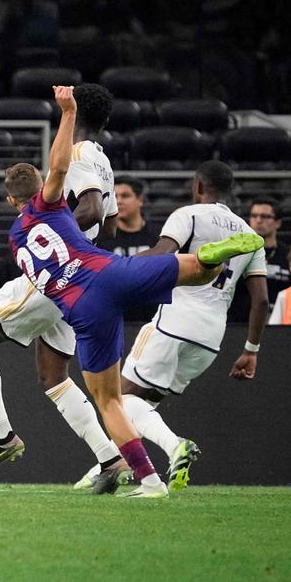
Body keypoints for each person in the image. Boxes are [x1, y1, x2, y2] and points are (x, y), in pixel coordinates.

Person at [5, 86, 263, 498]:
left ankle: (150, 481)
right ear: (41, 191)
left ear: (10, 201)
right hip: (106, 271)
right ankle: (211, 258)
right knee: (191, 270)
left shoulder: (18, 237)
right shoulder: (56, 199)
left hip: (81, 307)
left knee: (110, 402)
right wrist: (66, 114)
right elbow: (64, 177)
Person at [0, 83, 125, 488]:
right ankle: (110, 459)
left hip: (56, 274)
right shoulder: (103, 161)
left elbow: (92, 208)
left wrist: (52, 236)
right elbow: (112, 225)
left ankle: (1, 436)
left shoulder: (80, 154)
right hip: (79, 282)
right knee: (54, 377)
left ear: (73, 111)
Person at [119, 161, 269, 491]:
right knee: (145, 405)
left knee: (118, 401)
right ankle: (116, 468)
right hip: (210, 338)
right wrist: (251, 351)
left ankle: (175, 448)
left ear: (198, 185)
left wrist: (113, 266)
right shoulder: (250, 235)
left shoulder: (189, 215)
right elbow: (261, 300)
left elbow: (162, 254)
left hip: (174, 321)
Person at [98, 178, 159, 257]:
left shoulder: (159, 235)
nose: (118, 201)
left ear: (140, 200)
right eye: (115, 197)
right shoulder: (102, 238)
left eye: (125, 196)